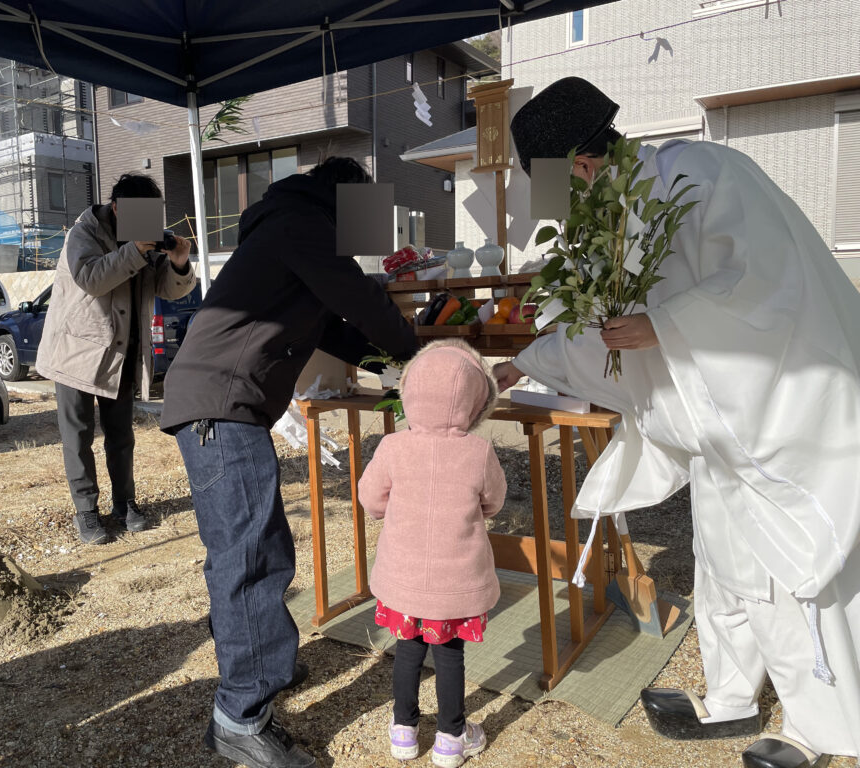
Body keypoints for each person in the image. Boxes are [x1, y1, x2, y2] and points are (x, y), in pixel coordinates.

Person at [494, 76, 860, 768]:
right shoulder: (618, 216)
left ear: (580, 167)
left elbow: (767, 282)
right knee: (722, 561)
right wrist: (527, 363)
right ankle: (731, 698)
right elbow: (602, 331)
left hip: (783, 413)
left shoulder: (703, 172)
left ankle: (825, 726)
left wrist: (662, 324)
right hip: (718, 429)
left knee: (789, 568)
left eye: (557, 189)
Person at [160, 156, 418, 768]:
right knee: (250, 555)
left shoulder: (287, 224)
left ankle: (262, 668)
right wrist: (417, 344)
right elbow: (359, 298)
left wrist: (396, 355)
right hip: (220, 408)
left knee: (260, 548)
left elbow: (335, 324)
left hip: (222, 403)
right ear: (345, 200)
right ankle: (240, 716)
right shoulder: (303, 227)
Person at [358, 339, 505, 768]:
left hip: (402, 577)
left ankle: (404, 729)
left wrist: (393, 511)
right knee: (450, 655)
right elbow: (493, 501)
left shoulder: (393, 446)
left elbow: (370, 498)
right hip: (456, 583)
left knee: (406, 649)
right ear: (476, 403)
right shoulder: (478, 452)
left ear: (410, 392)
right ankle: (450, 739)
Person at [37, 173, 195, 545]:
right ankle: (86, 512)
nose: (147, 223)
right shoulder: (84, 232)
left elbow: (165, 288)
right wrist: (136, 250)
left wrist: (179, 263)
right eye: (140, 214)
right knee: (78, 437)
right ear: (117, 207)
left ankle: (124, 503)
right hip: (76, 351)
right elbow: (91, 278)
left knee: (121, 437)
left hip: (122, 352)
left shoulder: (143, 235)